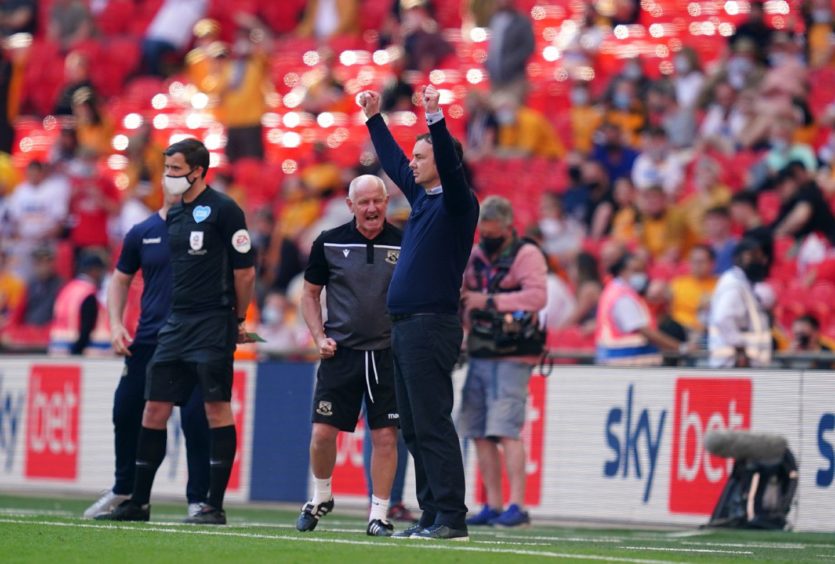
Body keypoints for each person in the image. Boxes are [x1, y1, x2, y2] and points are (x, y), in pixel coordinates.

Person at [97, 138, 256, 524]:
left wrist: (236, 318)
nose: (169, 177)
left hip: (212, 320)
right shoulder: (176, 215)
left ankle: (211, 505)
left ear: (198, 171)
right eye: (167, 169)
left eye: (175, 170)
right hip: (175, 323)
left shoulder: (225, 210)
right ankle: (139, 501)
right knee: (152, 408)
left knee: (214, 410)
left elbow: (245, 271)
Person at [359, 85, 479, 540]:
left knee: (431, 421)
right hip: (407, 326)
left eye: (422, 156)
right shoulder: (424, 197)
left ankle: (451, 515)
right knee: (413, 425)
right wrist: (373, 118)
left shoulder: (457, 203)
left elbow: (447, 164)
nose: (413, 162)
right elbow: (391, 162)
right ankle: (431, 514)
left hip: (431, 324)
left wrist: (436, 120)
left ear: (444, 160)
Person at [82, 190, 211, 520]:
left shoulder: (211, 228)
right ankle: (126, 489)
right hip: (150, 337)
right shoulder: (142, 232)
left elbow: (240, 273)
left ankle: (199, 499)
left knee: (196, 419)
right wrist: (114, 324)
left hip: (196, 339)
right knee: (125, 410)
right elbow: (120, 280)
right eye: (169, 171)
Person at [296, 174, 402, 537]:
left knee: (386, 436)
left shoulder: (406, 243)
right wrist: (318, 337)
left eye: (378, 201)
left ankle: (379, 514)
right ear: (350, 206)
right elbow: (309, 295)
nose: (372, 209)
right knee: (323, 434)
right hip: (340, 352)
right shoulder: (328, 241)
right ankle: (321, 496)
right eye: (364, 202)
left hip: (386, 354)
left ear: (387, 202)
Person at [459, 196, 547, 528]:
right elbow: (465, 293)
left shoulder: (526, 254)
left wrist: (490, 301)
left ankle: (518, 505)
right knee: (479, 431)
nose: (487, 234)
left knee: (506, 429)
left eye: (492, 229)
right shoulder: (477, 254)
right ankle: (492, 503)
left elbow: (538, 297)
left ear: (508, 226)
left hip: (513, 351)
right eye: (484, 229)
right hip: (480, 349)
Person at [595, 250, 689, 366]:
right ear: (622, 271)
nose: (641, 275)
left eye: (642, 271)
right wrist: (680, 347)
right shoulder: (622, 297)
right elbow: (643, 330)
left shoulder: (617, 290)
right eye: (635, 271)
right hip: (624, 362)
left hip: (622, 361)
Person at [708, 238, 772, 368]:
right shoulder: (733, 284)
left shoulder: (743, 283)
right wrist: (741, 350)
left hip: (743, 364)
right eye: (753, 256)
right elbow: (723, 318)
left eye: (760, 257)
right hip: (732, 364)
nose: (758, 261)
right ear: (738, 259)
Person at [48, 251, 110, 356]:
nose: (102, 275)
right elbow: (87, 326)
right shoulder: (88, 293)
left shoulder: (67, 289)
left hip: (57, 348)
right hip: (78, 351)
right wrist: (76, 352)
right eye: (100, 271)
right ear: (94, 270)